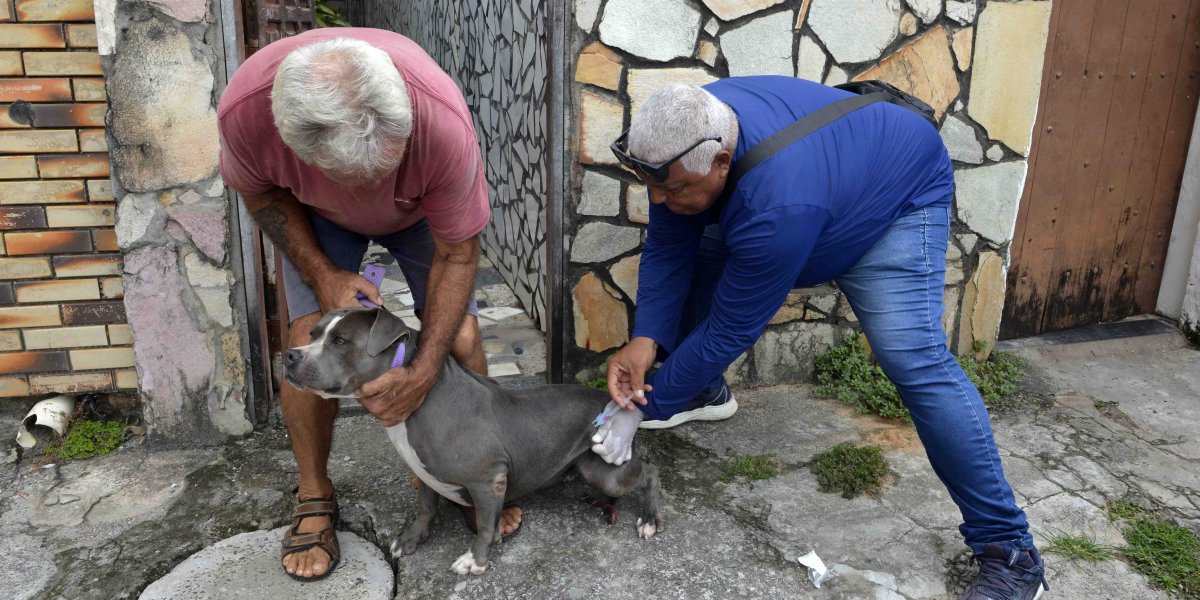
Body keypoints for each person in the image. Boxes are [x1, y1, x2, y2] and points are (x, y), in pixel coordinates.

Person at [594, 78, 1049, 600]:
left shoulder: (778, 206)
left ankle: (1009, 550)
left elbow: (732, 328)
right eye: (651, 184)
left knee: (914, 362)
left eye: (670, 189)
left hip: (896, 197)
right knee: (698, 237)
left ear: (721, 163)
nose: (657, 198)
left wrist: (638, 410)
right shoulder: (686, 128)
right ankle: (703, 392)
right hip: (821, 189)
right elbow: (669, 249)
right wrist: (645, 338)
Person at [216, 28, 522, 581]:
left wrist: (424, 370)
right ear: (294, 145)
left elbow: (458, 256)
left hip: (421, 215)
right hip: (315, 221)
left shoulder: (440, 124)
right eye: (355, 179)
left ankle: (480, 470)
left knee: (462, 339)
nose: (370, 191)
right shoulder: (245, 114)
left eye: (385, 169)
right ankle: (313, 494)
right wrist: (322, 273)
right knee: (307, 337)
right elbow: (259, 194)